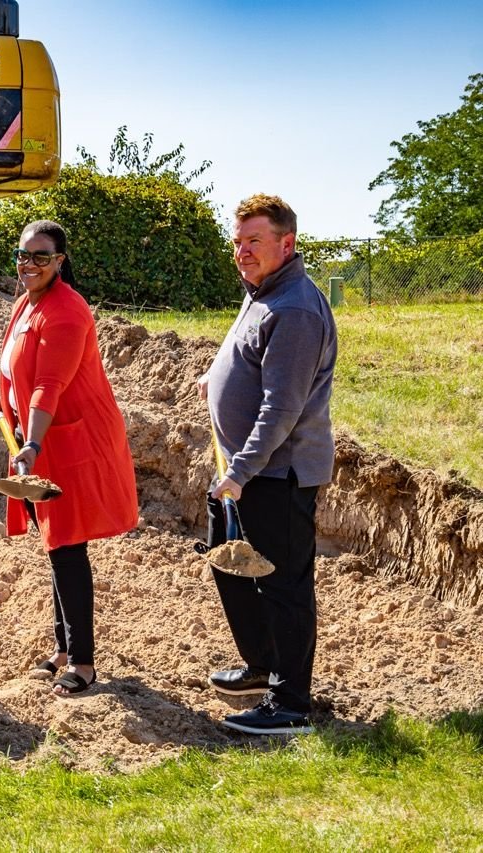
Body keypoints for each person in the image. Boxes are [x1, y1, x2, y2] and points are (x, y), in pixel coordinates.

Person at [197, 194, 336, 736]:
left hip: (277, 474)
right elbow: (244, 350)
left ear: (287, 243)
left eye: (253, 241)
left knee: (283, 586)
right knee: (229, 564)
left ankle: (291, 703)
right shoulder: (262, 293)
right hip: (248, 471)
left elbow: (283, 408)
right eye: (237, 241)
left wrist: (240, 472)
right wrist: (217, 375)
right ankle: (260, 667)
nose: (242, 251)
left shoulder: (295, 309)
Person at [0, 220, 138, 697]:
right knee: (55, 546)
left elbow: (48, 385)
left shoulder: (67, 312)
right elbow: (18, 370)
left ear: (60, 261)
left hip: (70, 442)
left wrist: (30, 442)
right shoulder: (24, 303)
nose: (28, 265)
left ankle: (82, 661)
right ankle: (61, 650)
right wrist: (5, 406)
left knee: (67, 548)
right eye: (22, 255)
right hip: (36, 438)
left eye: (40, 257)